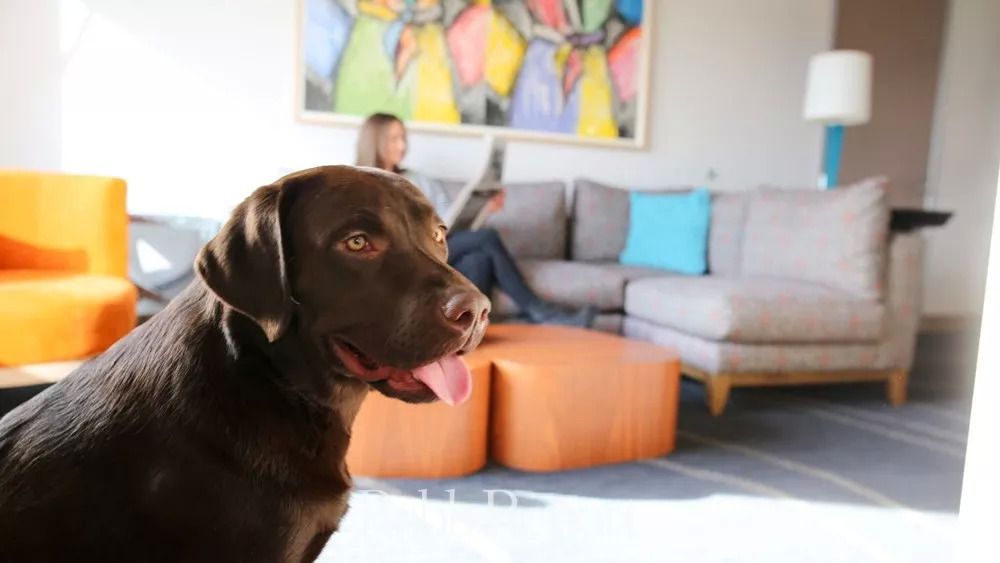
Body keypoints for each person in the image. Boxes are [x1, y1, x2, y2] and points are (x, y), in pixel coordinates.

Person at [355, 112, 598, 328]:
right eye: (394, 139)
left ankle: (470, 330)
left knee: (479, 259)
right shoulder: (361, 187)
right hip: (412, 257)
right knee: (487, 238)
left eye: (403, 138)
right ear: (376, 141)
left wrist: (485, 208)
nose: (402, 145)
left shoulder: (419, 179)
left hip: (442, 247)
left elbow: (449, 215)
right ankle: (540, 311)